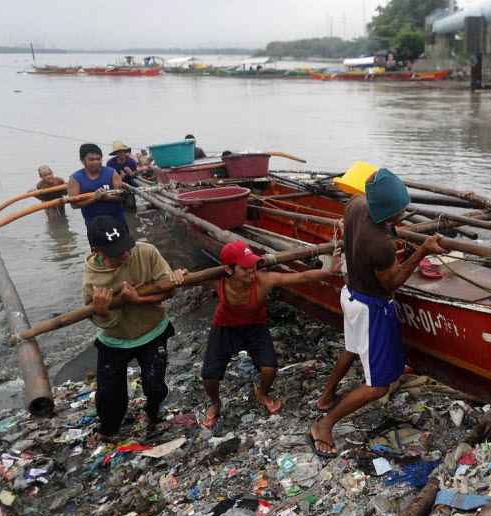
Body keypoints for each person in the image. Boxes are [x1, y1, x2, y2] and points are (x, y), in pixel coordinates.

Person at [311, 168, 446, 457]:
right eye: (400, 211)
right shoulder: (382, 246)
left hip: (351, 294)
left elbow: (360, 228)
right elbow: (394, 283)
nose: (403, 213)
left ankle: (325, 398)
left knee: (352, 348)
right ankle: (325, 424)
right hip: (371, 307)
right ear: (391, 212)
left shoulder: (357, 203)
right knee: (378, 386)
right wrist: (421, 250)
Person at [199, 241, 343, 427]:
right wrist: (179, 273)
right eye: (244, 267)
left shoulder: (264, 279)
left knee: (269, 369)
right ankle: (216, 403)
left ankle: (262, 393)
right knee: (209, 376)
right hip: (225, 326)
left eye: (253, 264)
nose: (251, 270)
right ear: (228, 269)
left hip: (255, 325)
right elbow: (178, 279)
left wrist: (329, 272)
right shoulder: (215, 280)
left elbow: (302, 277)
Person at [81, 216, 187, 439]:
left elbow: (168, 291)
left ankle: (153, 413)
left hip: (153, 330)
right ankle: (108, 430)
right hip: (116, 339)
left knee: (155, 386)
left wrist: (137, 299)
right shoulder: (92, 280)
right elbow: (103, 322)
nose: (125, 256)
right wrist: (102, 311)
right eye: (116, 255)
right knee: (109, 393)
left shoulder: (146, 252)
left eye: (126, 249)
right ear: (97, 251)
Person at [68, 143, 125, 227]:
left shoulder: (112, 173)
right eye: (91, 160)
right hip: (94, 225)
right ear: (82, 160)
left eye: (98, 159)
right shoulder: (75, 178)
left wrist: (107, 197)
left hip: (117, 220)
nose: (95, 162)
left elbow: (121, 197)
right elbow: (74, 204)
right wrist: (95, 199)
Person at [106, 140, 138, 212]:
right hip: (116, 186)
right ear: (116, 153)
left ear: (125, 151)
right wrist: (119, 178)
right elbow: (108, 179)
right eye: (119, 152)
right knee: (118, 205)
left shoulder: (131, 162)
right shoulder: (110, 163)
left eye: (123, 151)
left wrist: (131, 174)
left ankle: (132, 218)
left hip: (129, 185)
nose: (121, 153)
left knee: (130, 204)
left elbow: (136, 178)